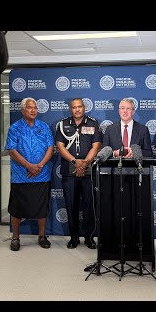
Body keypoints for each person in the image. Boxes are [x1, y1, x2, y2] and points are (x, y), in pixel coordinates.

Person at [5, 97, 54, 251]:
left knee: (41, 208)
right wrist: (29, 166)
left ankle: (41, 236)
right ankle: (15, 237)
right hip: (21, 175)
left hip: (41, 174)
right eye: (29, 107)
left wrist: (38, 166)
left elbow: (50, 148)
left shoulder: (44, 127)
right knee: (17, 208)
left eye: (35, 108)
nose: (33, 110)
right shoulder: (15, 128)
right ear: (22, 110)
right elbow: (12, 150)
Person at [55, 98, 102, 249]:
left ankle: (89, 238)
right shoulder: (63, 125)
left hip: (88, 170)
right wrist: (76, 162)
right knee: (71, 206)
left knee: (89, 206)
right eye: (74, 107)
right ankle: (73, 238)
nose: (77, 109)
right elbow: (60, 146)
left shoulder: (93, 123)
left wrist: (85, 163)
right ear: (70, 109)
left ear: (84, 107)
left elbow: (96, 146)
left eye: (79, 107)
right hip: (69, 171)